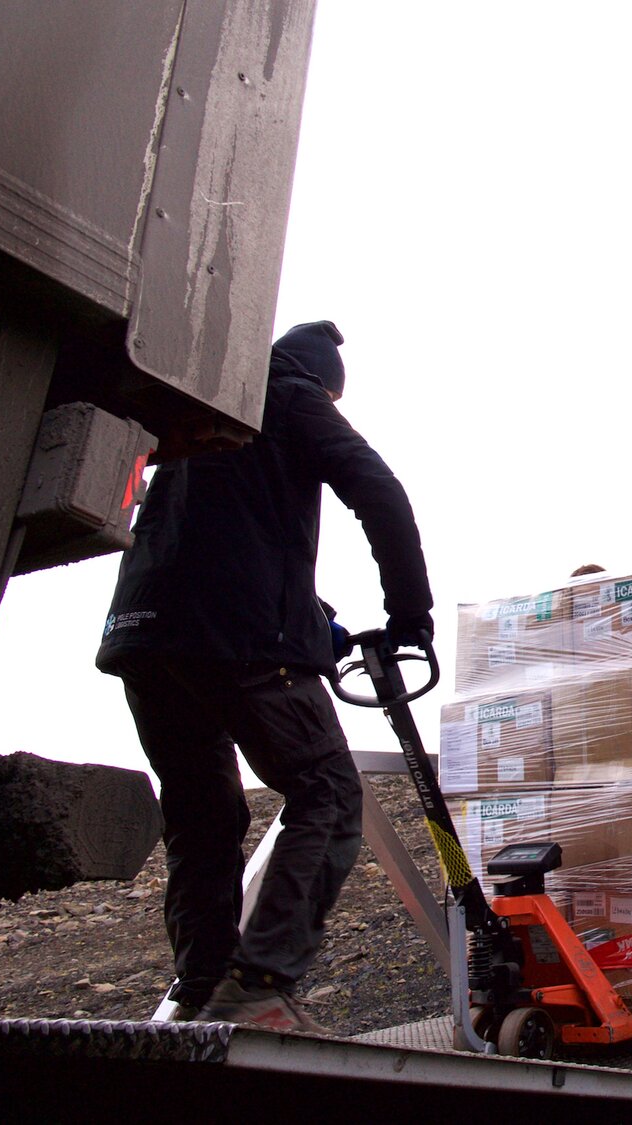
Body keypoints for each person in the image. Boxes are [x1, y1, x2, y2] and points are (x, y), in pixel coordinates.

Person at [97, 320, 433, 1031]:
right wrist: (411, 616)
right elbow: (382, 495)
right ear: (321, 382)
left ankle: (202, 983)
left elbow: (222, 539)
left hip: (146, 634)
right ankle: (259, 986)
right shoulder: (291, 395)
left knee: (202, 815)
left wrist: (318, 621)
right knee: (329, 792)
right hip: (243, 641)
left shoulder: (206, 402)